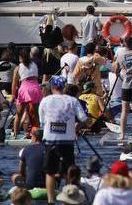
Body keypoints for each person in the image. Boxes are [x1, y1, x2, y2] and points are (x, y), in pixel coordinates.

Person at [39, 76, 87, 205]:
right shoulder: (72, 100)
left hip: (50, 140)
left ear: (52, 87)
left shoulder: (45, 100)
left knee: (50, 172)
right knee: (68, 172)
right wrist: (77, 127)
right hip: (67, 141)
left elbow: (42, 122)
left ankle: (51, 201)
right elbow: (84, 119)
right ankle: (69, 200)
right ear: (64, 87)